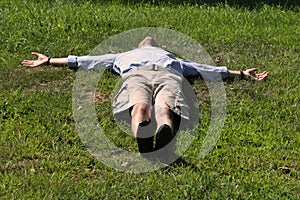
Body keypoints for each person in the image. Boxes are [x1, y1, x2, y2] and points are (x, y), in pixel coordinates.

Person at [22, 37, 268, 163]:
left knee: (164, 106)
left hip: (166, 75)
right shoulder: (122, 55)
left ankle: (162, 132)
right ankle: (146, 135)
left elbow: (204, 69)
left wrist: (239, 73)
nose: (148, 41)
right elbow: (87, 60)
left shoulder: (173, 58)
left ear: (158, 47)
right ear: (139, 46)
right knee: (143, 105)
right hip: (139, 76)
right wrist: (50, 59)